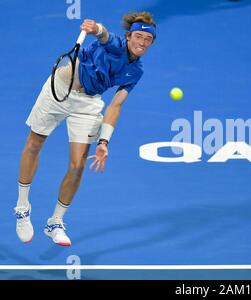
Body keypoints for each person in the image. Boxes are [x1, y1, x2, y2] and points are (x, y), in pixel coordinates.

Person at [14, 12, 156, 246]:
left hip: (88, 103)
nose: (141, 43)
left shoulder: (136, 72)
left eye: (147, 40)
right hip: (58, 89)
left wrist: (104, 142)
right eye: (138, 36)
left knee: (78, 165)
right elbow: (104, 36)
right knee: (34, 144)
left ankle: (55, 223)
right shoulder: (116, 45)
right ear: (128, 36)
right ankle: (22, 207)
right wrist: (96, 27)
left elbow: (116, 105)